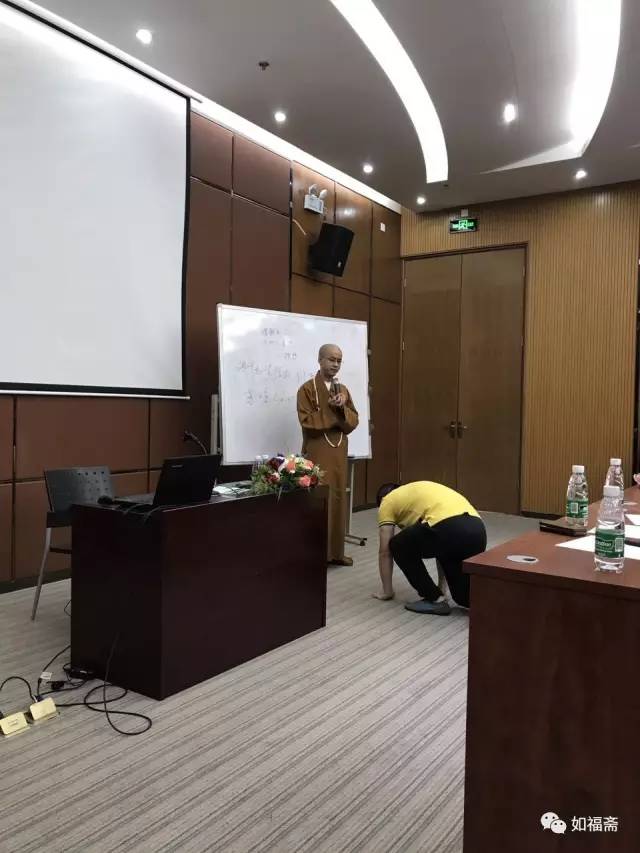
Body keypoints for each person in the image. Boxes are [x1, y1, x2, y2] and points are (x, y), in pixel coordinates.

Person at [373, 481, 487, 614]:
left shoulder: (387, 501)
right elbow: (440, 544)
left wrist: (387, 591)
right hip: (477, 531)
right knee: (463, 597)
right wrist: (441, 588)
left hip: (449, 528)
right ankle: (495, 602)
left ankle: (434, 599)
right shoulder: (419, 493)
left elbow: (385, 552)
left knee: (397, 544)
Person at [297, 344, 359, 565]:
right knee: (319, 499)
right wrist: (332, 410)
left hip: (339, 450)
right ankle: (317, 555)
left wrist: (342, 407)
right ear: (320, 360)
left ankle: (336, 553)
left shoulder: (342, 390)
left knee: (338, 498)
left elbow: (353, 421)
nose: (335, 364)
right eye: (331, 359)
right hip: (317, 449)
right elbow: (307, 422)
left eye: (339, 360)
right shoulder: (307, 389)